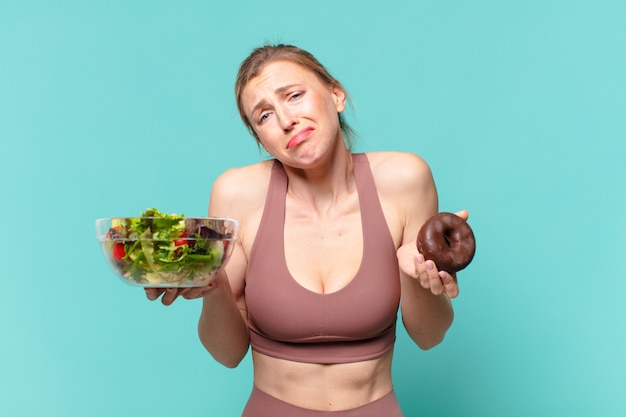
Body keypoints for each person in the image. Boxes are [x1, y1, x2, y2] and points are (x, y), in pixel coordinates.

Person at [145, 44, 467, 416]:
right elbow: (226, 353)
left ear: (336, 94)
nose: (285, 120)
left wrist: (417, 278)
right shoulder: (237, 193)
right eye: (264, 116)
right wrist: (209, 284)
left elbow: (430, 336)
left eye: (294, 95)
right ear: (260, 139)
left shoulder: (404, 180)